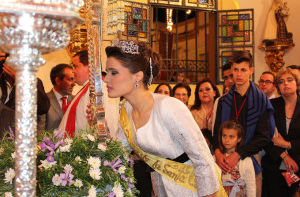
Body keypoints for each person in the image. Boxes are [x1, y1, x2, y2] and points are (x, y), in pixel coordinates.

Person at [104, 41, 221, 196]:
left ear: (137, 76)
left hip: (191, 189)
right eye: (107, 72)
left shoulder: (168, 107)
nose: (106, 79)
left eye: (114, 72)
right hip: (160, 187)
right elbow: (119, 152)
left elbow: (203, 159)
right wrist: (101, 129)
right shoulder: (126, 108)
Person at [212, 51, 275, 197]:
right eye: (235, 70)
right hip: (224, 159)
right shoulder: (224, 101)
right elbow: (216, 132)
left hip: (250, 158)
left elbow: (264, 136)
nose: (239, 74)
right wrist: (217, 153)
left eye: (243, 70)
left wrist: (239, 154)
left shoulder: (261, 101)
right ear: (231, 71)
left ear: (251, 71)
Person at [58, 50, 119, 138]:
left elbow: (110, 120)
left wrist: (108, 148)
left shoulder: (101, 87)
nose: (73, 71)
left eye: (75, 66)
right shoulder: (87, 88)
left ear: (89, 67)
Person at [262, 68, 300, 197]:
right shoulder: (270, 105)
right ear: (277, 86)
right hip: (274, 164)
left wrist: (288, 144)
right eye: (281, 81)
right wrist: (284, 156)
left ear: (297, 83)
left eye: (290, 80)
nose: (286, 84)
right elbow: (264, 135)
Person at [219, 120, 256, 197]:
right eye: (224, 136)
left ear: (239, 139)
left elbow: (251, 186)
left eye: (231, 137)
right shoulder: (216, 158)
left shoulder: (246, 161)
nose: (227, 140)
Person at [44, 63, 75, 131]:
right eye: (70, 79)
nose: (74, 84)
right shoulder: (44, 100)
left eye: (74, 79)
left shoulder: (75, 100)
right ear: (58, 81)